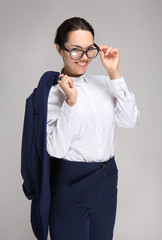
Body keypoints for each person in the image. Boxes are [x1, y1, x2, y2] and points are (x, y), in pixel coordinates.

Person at [46, 17, 139, 240]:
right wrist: (71, 104)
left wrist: (114, 73)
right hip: (71, 183)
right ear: (59, 49)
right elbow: (56, 150)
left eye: (90, 50)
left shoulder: (105, 83)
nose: (84, 58)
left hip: (106, 180)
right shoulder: (50, 94)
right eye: (76, 50)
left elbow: (130, 120)